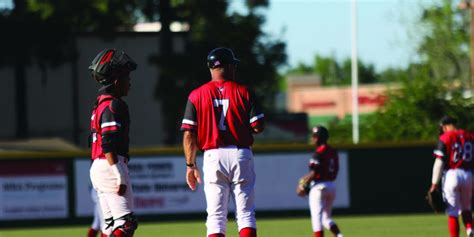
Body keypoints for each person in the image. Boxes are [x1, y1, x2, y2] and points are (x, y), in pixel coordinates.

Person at [181, 47, 265, 237]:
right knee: (245, 215)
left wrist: (190, 164)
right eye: (233, 64)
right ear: (228, 66)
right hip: (240, 153)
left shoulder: (196, 95)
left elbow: (188, 135)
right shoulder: (244, 92)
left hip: (212, 155)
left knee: (216, 216)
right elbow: (258, 126)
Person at [89, 48, 138, 237]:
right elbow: (108, 143)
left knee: (109, 227)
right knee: (126, 224)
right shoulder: (113, 104)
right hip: (111, 164)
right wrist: (119, 175)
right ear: (116, 81)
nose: (130, 82)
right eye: (127, 78)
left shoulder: (100, 102)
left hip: (100, 166)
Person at [428, 116, 474, 237]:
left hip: (452, 175)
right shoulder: (470, 136)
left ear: (445, 126)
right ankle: (470, 230)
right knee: (466, 208)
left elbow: (439, 163)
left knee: (453, 212)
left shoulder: (445, 137)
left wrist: (434, 185)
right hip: (468, 175)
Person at [297, 126, 343, 237]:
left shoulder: (318, 153)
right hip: (331, 186)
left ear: (319, 138)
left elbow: (313, 173)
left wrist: (302, 184)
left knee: (317, 221)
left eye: (314, 136)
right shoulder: (332, 151)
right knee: (326, 218)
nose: (312, 138)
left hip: (318, 187)